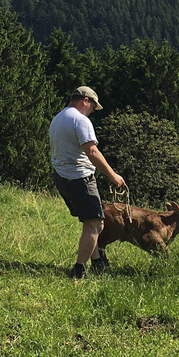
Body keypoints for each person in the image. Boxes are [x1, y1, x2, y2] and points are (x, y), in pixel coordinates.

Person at [50, 86, 126, 279]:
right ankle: (79, 270)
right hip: (80, 179)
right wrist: (113, 175)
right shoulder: (80, 120)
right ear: (85, 101)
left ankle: (98, 262)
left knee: (89, 222)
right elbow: (92, 152)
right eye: (93, 106)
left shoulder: (58, 118)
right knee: (95, 224)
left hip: (62, 177)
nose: (92, 111)